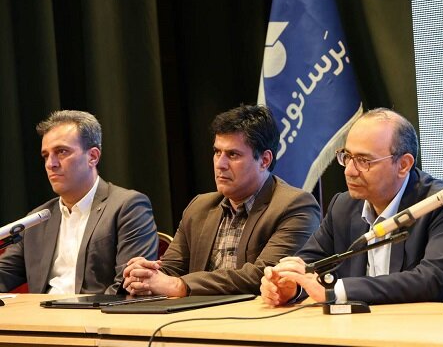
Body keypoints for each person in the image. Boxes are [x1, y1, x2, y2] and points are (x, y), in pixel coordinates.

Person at [260, 108, 443, 306]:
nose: (349, 171)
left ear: (403, 165)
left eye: (364, 161)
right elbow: (309, 263)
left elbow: (434, 280)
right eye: (347, 157)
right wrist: (291, 285)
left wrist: (338, 290)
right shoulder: (343, 206)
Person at [123, 105, 321, 296]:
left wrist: (180, 285)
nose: (220, 164)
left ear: (264, 160)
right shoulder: (199, 207)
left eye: (233, 154)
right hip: (195, 314)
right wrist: (146, 276)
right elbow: (172, 270)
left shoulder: (295, 206)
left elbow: (266, 275)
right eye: (217, 152)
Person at [0, 110, 158, 294]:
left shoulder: (127, 206)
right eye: (46, 155)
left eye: (61, 152)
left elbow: (129, 284)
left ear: (93, 156)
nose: (51, 164)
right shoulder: (37, 220)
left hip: (96, 311)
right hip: (39, 311)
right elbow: (4, 273)